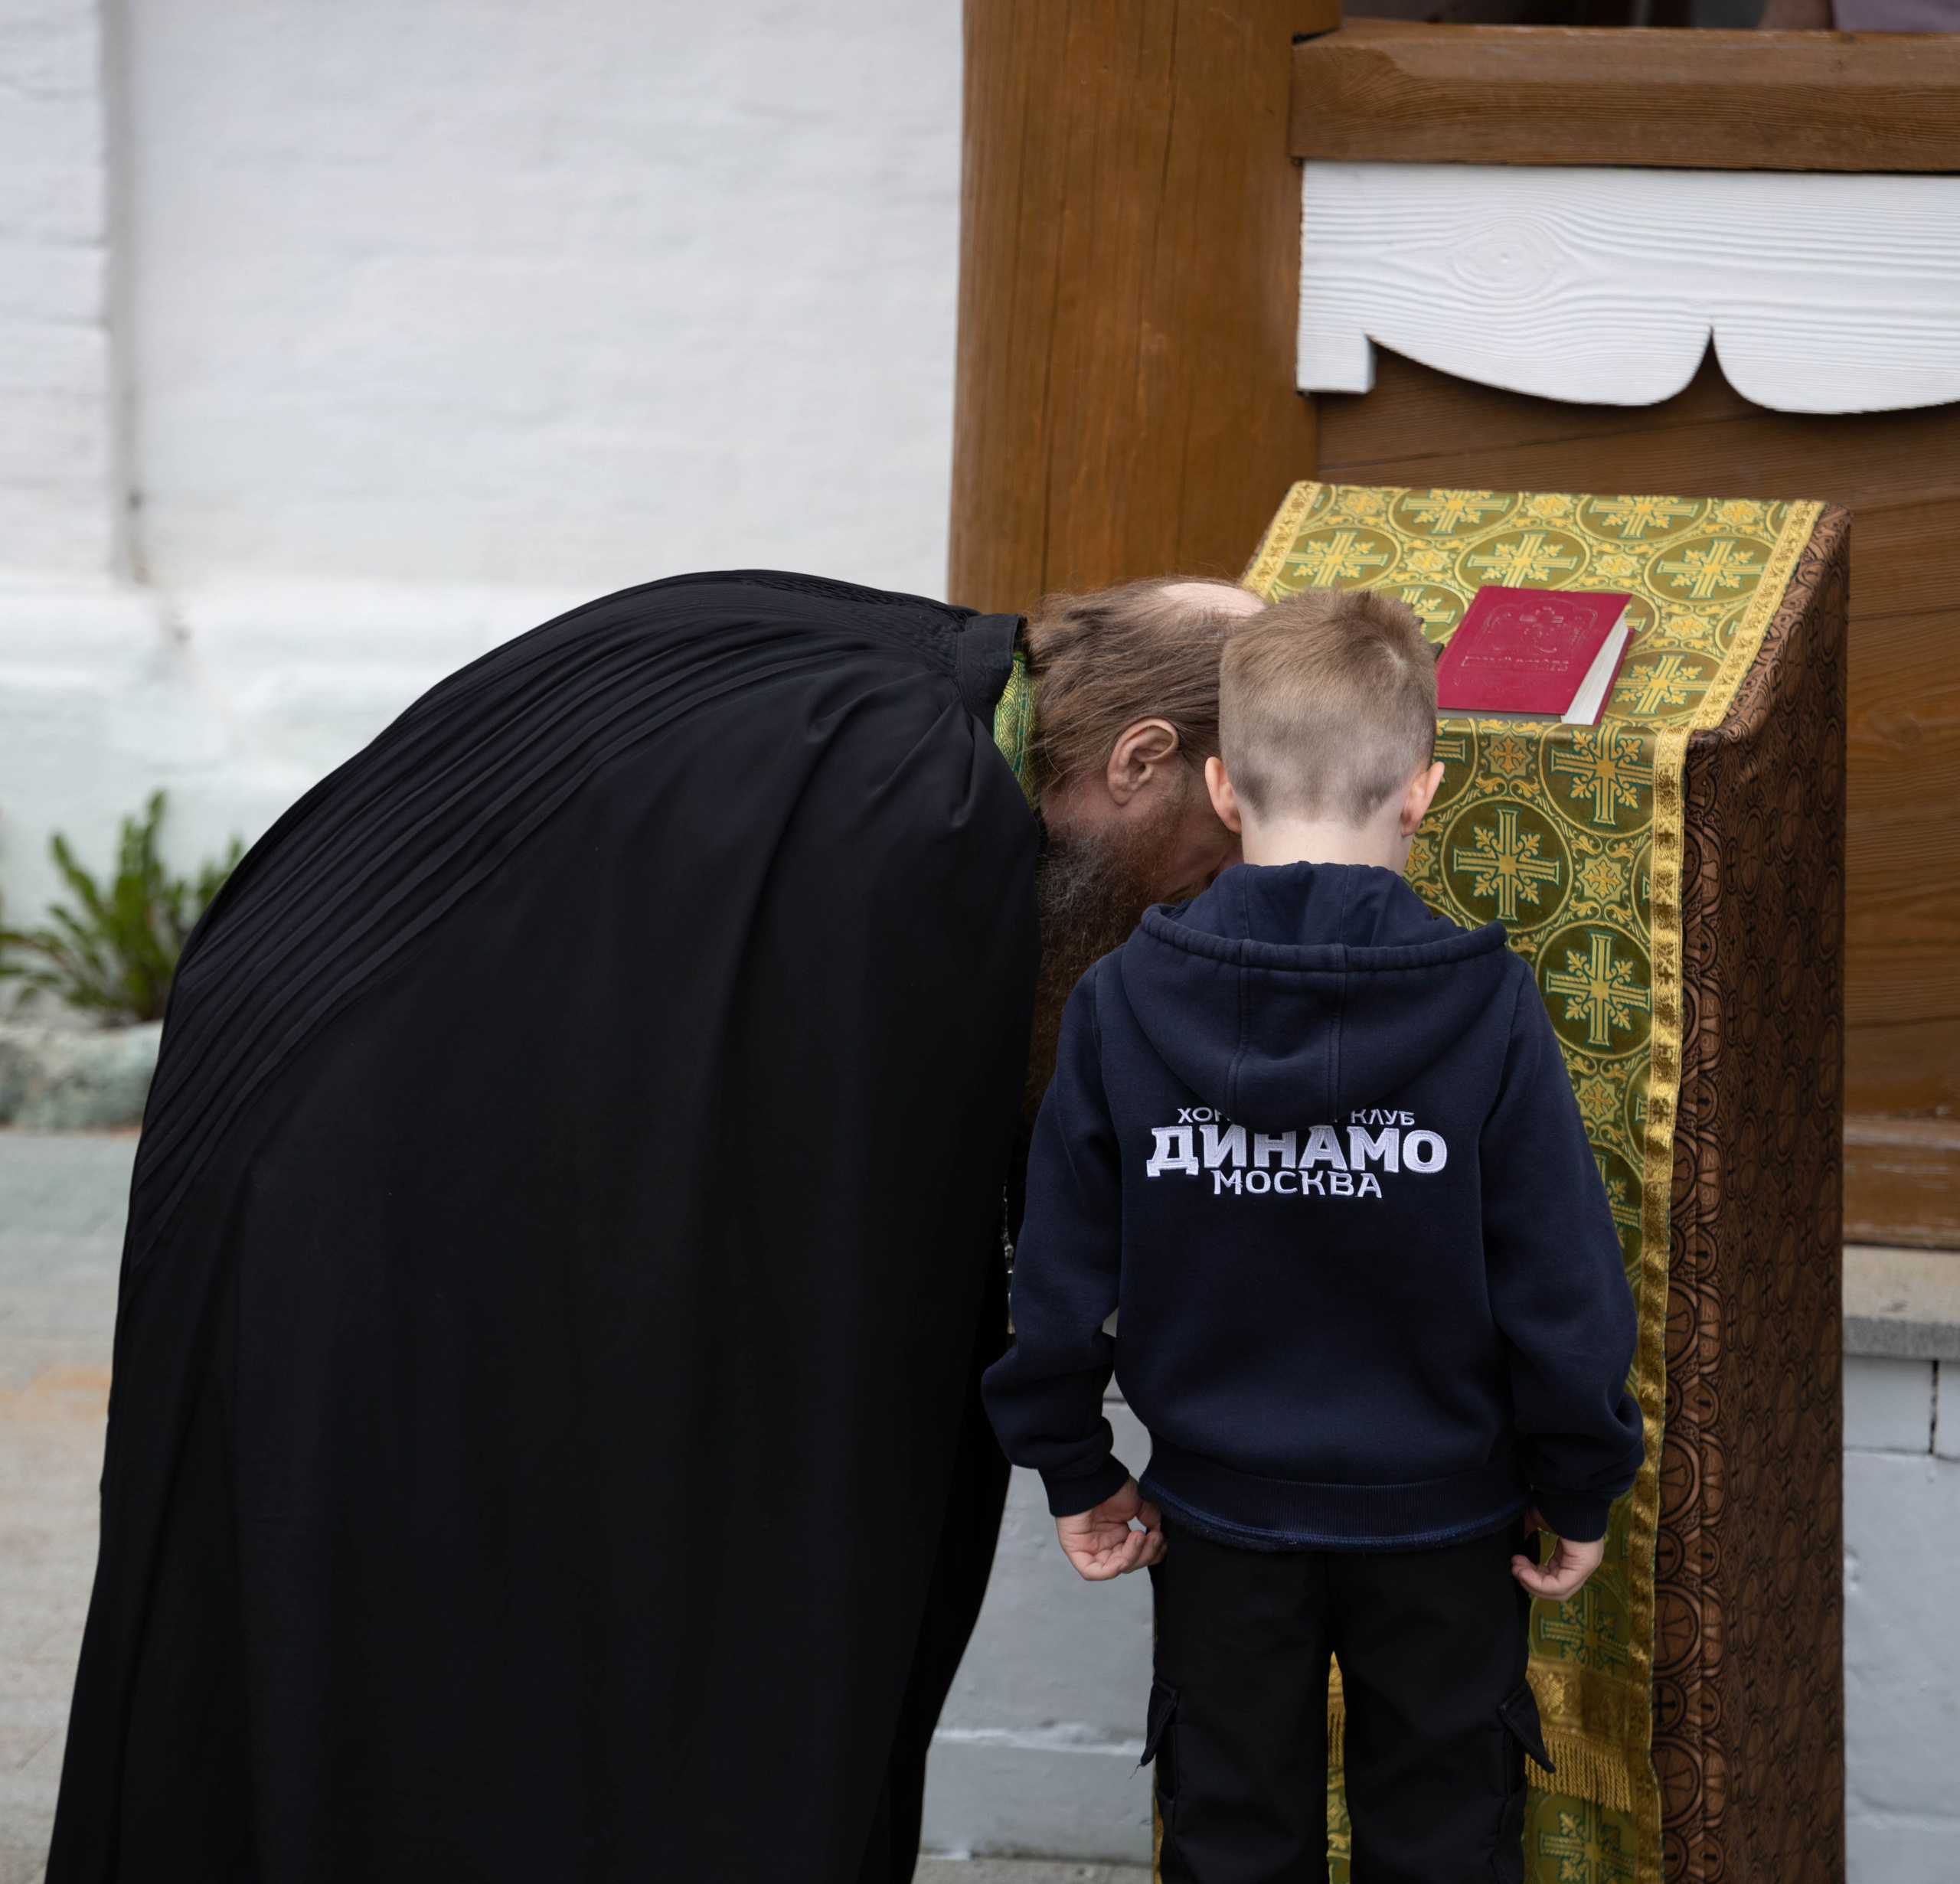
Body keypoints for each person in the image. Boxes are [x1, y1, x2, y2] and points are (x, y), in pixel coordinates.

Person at [47, 567, 1264, 1884]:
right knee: (425, 1626)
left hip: (320, 1106)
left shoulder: (908, 676)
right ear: (1142, 758)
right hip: (361, 1167)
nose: (1191, 912)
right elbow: (839, 1309)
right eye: (1211, 860)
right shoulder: (922, 808)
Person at [983, 587, 1645, 1884]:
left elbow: (1053, 1269)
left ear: (1223, 788)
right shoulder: (1490, 1006)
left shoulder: (1118, 1001)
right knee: (1446, 1844)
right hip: (1449, 1532)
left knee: (1231, 1841)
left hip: (1220, 1527)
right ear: (1422, 794)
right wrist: (1579, 1477)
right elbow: (1562, 1281)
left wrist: (1072, 1461)